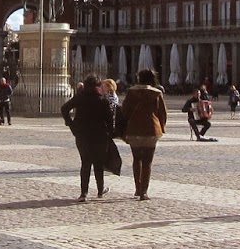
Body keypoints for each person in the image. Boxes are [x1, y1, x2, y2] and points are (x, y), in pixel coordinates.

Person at [61, 74, 119, 202]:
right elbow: (109, 120)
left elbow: (64, 108)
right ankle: (100, 190)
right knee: (98, 163)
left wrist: (71, 124)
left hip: (82, 134)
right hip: (100, 135)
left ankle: (84, 193)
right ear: (97, 86)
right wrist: (111, 133)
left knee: (85, 163)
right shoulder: (102, 100)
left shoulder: (80, 97)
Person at [119, 68, 168, 200]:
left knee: (136, 159)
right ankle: (144, 192)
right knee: (147, 161)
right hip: (152, 130)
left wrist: (124, 128)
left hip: (134, 129)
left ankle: (137, 188)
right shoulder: (156, 93)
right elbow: (162, 113)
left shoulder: (131, 92)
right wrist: (161, 127)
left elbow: (124, 112)